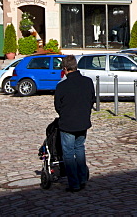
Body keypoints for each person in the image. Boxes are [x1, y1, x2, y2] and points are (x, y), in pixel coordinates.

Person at [54, 55, 94, 192]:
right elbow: (91, 100)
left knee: (69, 154)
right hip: (83, 122)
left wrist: (65, 114)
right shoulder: (88, 82)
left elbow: (57, 106)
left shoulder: (62, 86)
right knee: (80, 149)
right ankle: (82, 179)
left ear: (65, 69)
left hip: (67, 124)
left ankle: (74, 183)